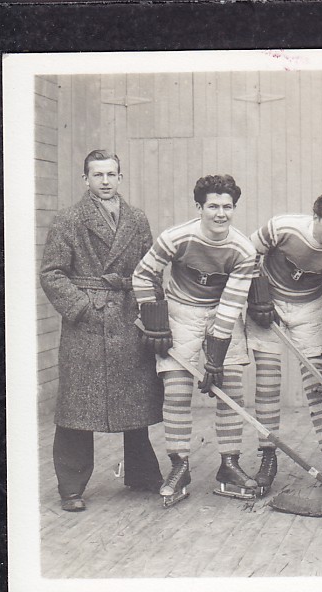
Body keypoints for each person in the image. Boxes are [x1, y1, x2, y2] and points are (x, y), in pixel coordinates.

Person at [39, 149, 163, 512]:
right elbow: (52, 273)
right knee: (78, 407)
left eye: (111, 174)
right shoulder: (68, 219)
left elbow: (150, 270)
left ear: (120, 178)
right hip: (86, 326)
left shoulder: (137, 220)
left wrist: (151, 316)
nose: (105, 181)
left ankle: (142, 474)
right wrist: (81, 307)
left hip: (128, 316)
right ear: (85, 179)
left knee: (133, 399)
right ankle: (71, 487)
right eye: (97, 175)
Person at [132, 173, 257, 505]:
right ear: (198, 207)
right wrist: (154, 321)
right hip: (181, 312)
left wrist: (216, 355)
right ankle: (180, 464)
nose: (220, 213)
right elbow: (143, 274)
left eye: (227, 207)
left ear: (234, 208)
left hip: (220, 314)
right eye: (212, 206)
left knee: (231, 390)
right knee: (176, 391)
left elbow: (231, 303)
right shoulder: (176, 237)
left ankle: (229, 464)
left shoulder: (243, 249)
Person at [247, 191, 322, 495]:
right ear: (315, 217)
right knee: (267, 381)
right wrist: (258, 295)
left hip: (308, 308)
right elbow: (247, 253)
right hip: (267, 305)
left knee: (319, 384)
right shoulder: (283, 227)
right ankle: (268, 457)